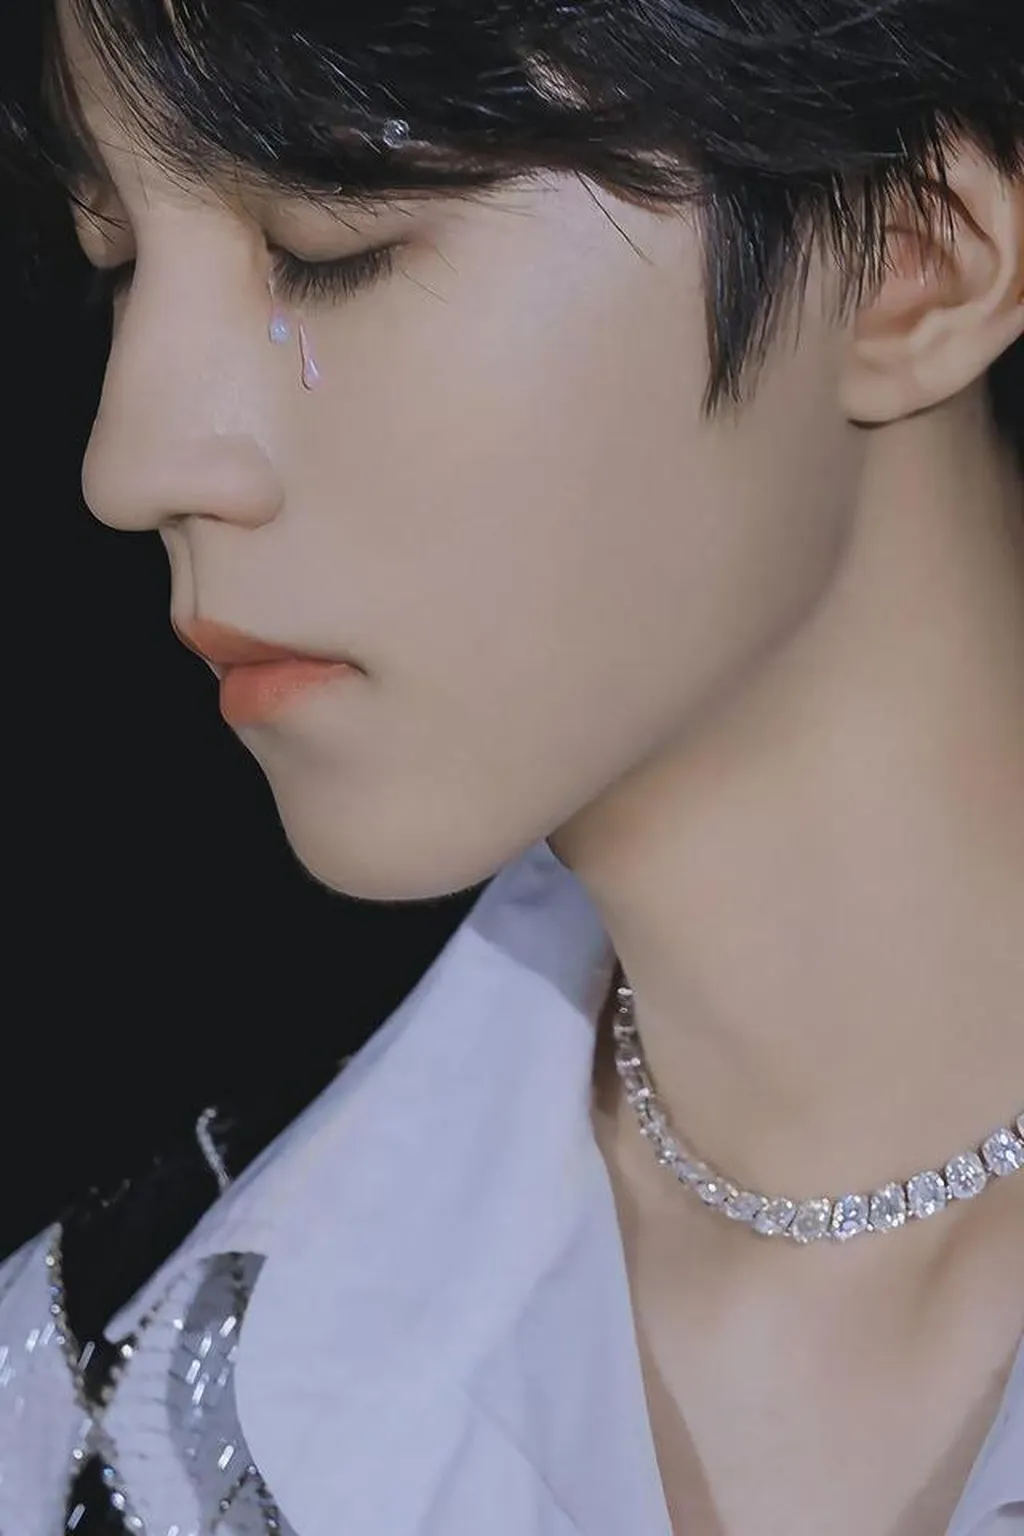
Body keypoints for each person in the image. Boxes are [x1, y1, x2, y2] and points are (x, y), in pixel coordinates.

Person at [1, 1, 1022, 1532]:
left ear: (910, 260)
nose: (130, 461)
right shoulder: (104, 1419)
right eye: (122, 262)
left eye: (329, 240)